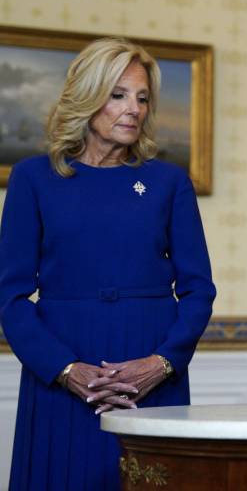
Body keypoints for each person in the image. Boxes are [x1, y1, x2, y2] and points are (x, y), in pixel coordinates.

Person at [0, 38, 216, 490]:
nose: (133, 109)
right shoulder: (33, 179)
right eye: (118, 95)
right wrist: (64, 369)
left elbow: (198, 290)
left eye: (142, 98)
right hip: (61, 371)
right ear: (87, 96)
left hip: (153, 369)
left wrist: (162, 363)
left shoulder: (168, 182)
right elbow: (10, 296)